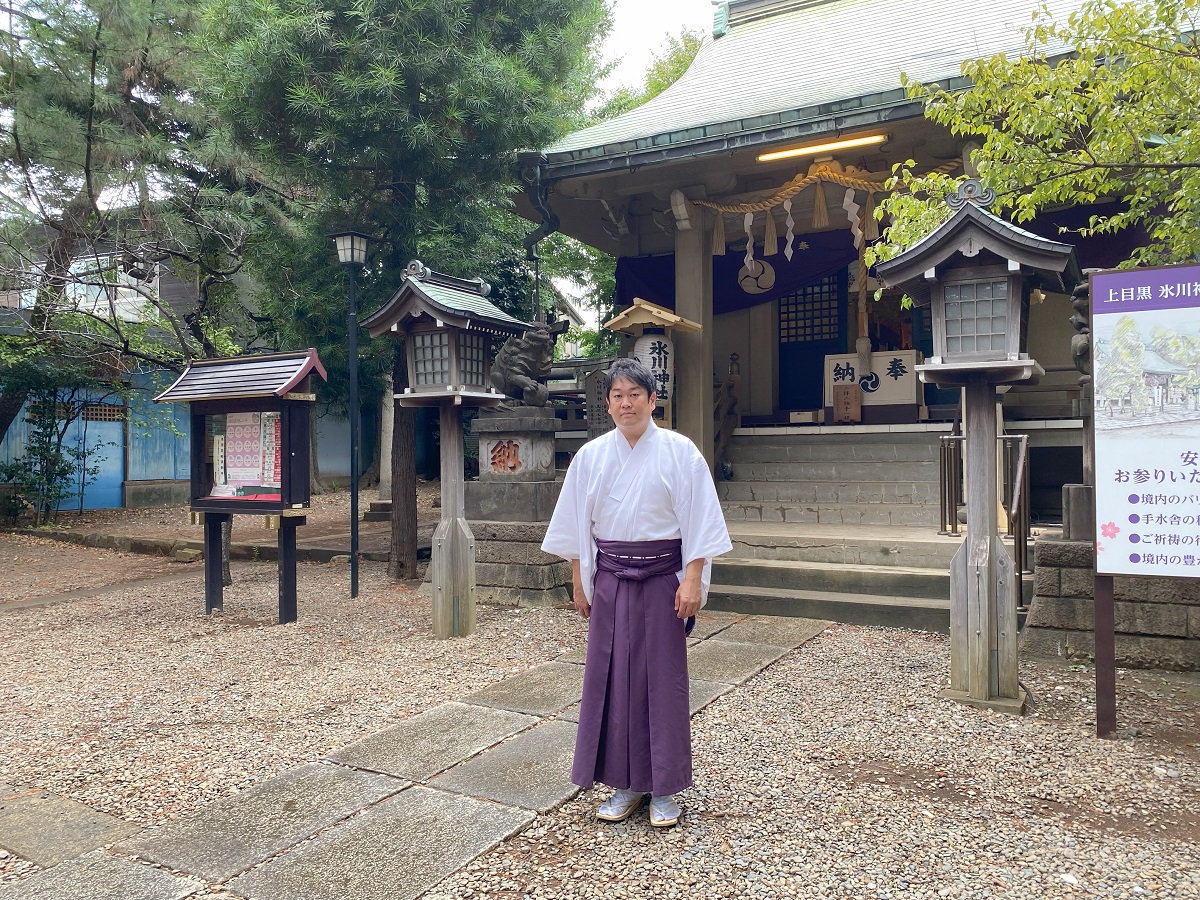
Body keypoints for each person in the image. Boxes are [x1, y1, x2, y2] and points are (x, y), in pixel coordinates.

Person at [542, 357, 731, 828]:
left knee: (662, 681)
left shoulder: (680, 451)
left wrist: (692, 579)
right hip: (610, 578)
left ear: (652, 400)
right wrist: (579, 582)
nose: (626, 403)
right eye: (618, 396)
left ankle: (665, 787)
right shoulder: (591, 457)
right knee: (612, 678)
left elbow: (700, 521)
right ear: (608, 404)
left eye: (635, 395)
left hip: (665, 579)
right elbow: (575, 527)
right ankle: (623, 784)